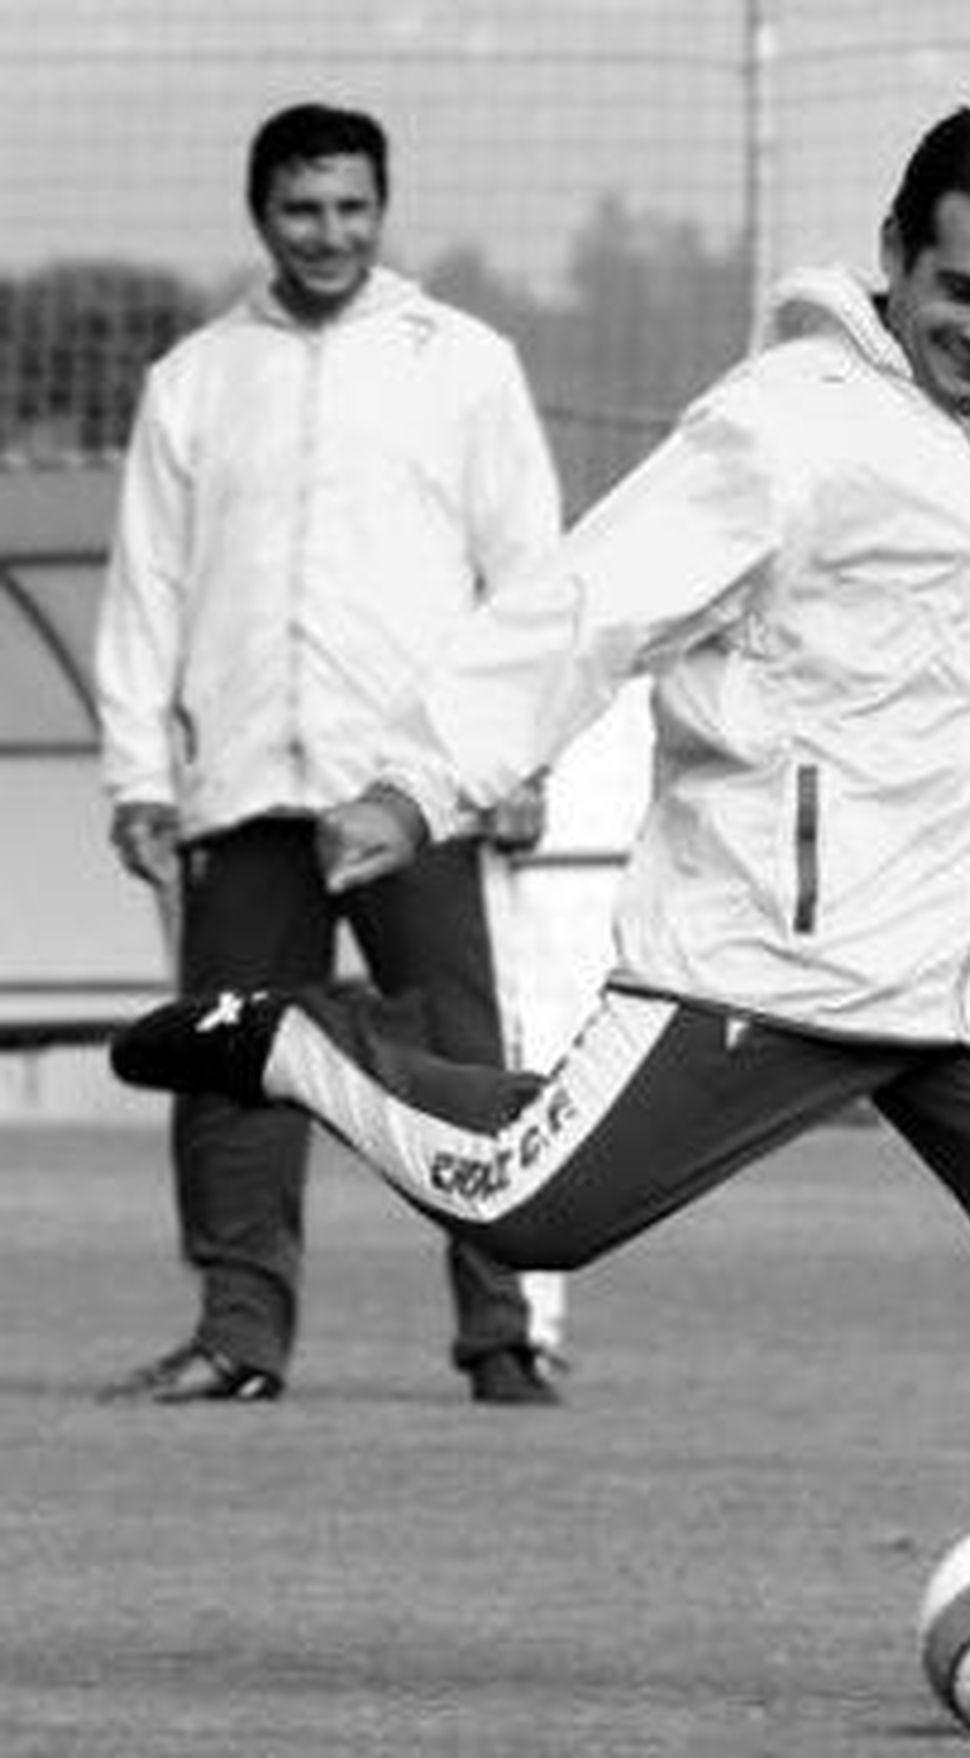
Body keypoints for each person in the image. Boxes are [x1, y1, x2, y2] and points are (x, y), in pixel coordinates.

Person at [111, 107, 970, 1718]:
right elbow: (585, 607)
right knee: (523, 1204)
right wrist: (421, 783)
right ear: (895, 257)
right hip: (776, 960)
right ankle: (301, 1043)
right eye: (963, 292)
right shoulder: (780, 429)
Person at [95, 102, 572, 1407]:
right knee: (230, 1063)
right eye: (303, 209)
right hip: (243, 787)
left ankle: (502, 1336)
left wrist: (519, 760)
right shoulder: (194, 379)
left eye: (353, 207)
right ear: (262, 214)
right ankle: (238, 1336)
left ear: (382, 209)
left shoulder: (462, 362)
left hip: (417, 790)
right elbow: (145, 592)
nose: (329, 233)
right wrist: (139, 775)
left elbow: (532, 577)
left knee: (465, 1063)